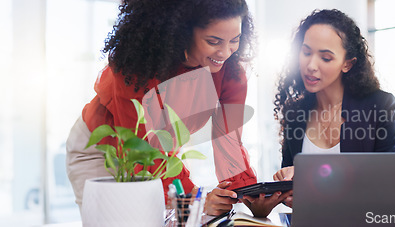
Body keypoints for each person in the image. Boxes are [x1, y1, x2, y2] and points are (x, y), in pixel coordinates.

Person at [66, 0, 272, 216]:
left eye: (235, 40)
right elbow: (144, 148)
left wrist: (249, 193)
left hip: (157, 160)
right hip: (101, 153)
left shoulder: (230, 72)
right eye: (214, 41)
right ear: (183, 30)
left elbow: (229, 140)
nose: (225, 52)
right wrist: (194, 199)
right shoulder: (138, 67)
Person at [272, 9, 395, 208]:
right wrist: (285, 193)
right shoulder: (295, 113)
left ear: (347, 64)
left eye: (325, 58)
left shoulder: (379, 106)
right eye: (306, 52)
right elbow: (289, 188)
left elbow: (390, 185)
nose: (311, 65)